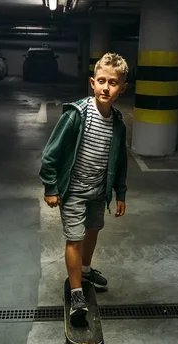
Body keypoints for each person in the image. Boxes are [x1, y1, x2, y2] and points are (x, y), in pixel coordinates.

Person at [39, 52, 129, 321]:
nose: (106, 87)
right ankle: (77, 293)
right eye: (101, 80)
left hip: (99, 192)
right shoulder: (76, 115)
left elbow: (121, 160)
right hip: (74, 191)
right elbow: (50, 155)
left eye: (113, 83)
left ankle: (86, 270)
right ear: (92, 82)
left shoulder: (118, 122)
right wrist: (51, 187)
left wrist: (120, 192)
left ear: (122, 88)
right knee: (75, 238)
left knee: (92, 231)